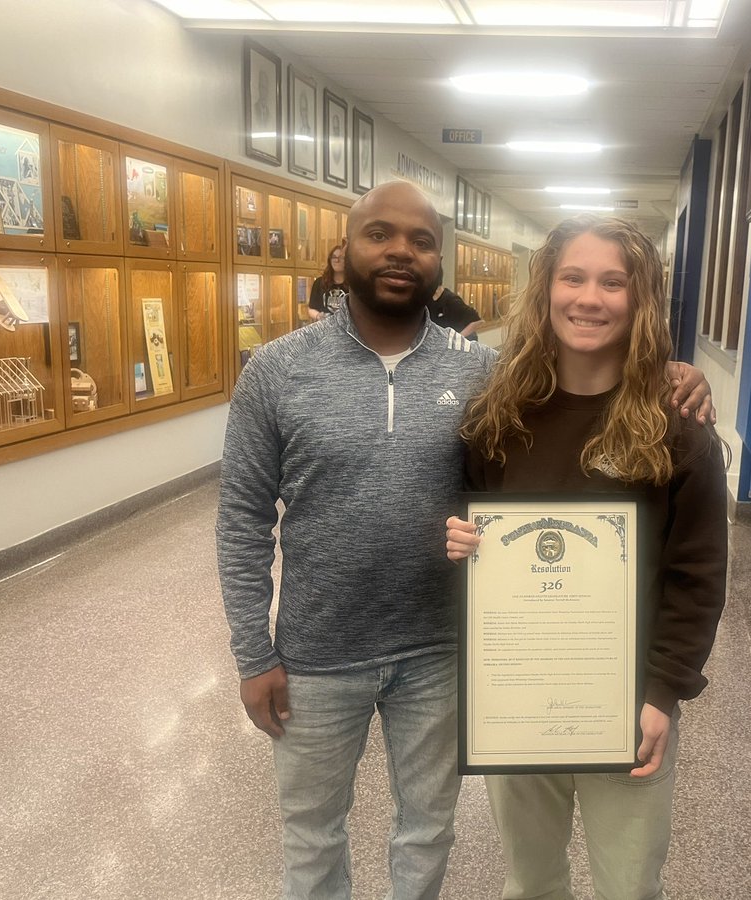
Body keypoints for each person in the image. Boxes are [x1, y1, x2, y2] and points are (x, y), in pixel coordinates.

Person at [217, 182, 714, 900]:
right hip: (320, 654)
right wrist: (251, 651)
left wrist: (680, 377)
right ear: (340, 254)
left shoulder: (484, 374)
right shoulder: (279, 372)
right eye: (378, 235)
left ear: (439, 261)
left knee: (430, 831)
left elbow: (693, 566)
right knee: (312, 833)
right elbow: (241, 519)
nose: (399, 252)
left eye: (420, 241)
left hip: (445, 654)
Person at [445, 214, 729, 900]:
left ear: (641, 300)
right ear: (546, 290)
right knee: (529, 880)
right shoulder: (498, 414)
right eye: (572, 277)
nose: (589, 298)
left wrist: (663, 691)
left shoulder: (677, 427)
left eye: (613, 282)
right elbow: (465, 521)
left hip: (626, 703)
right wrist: (458, 542)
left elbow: (698, 576)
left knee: (629, 886)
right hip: (517, 697)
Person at [425, 273, 481, 338]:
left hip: (458, 344)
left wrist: (457, 338)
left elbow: (477, 321)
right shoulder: (429, 300)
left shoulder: (453, 301)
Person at [308, 243, 347, 319]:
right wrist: (318, 316)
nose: (337, 260)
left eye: (341, 257)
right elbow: (311, 308)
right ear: (330, 260)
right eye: (334, 257)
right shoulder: (319, 282)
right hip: (324, 327)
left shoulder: (354, 284)